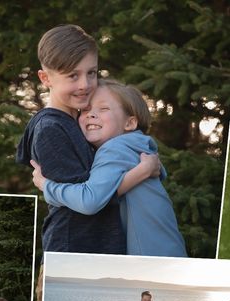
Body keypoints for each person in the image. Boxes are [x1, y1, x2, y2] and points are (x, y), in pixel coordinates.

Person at [31, 79, 184, 257]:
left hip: (151, 262)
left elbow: (90, 200)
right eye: (86, 109)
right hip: (168, 253)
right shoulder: (136, 148)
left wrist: (46, 186)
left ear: (129, 123)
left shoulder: (115, 149)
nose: (91, 114)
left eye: (103, 109)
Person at [15, 24, 128, 254]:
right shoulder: (50, 129)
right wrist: (143, 172)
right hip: (73, 249)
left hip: (99, 247)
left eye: (91, 73)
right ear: (45, 78)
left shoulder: (82, 122)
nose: (84, 85)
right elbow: (90, 198)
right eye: (72, 75)